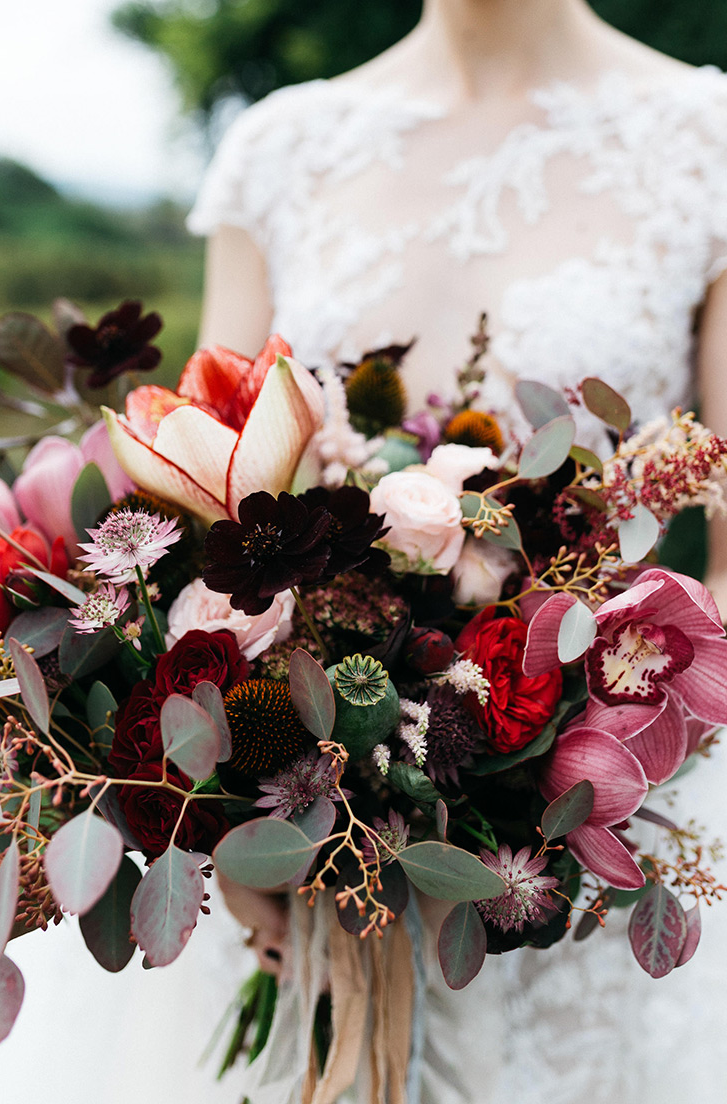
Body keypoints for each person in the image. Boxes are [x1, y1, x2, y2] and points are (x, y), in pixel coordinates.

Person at [184, 0, 727, 1102]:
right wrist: (212, 817)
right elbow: (210, 504)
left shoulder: (705, 138)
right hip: (307, 843)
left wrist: (569, 774)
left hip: (602, 825)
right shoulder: (283, 148)